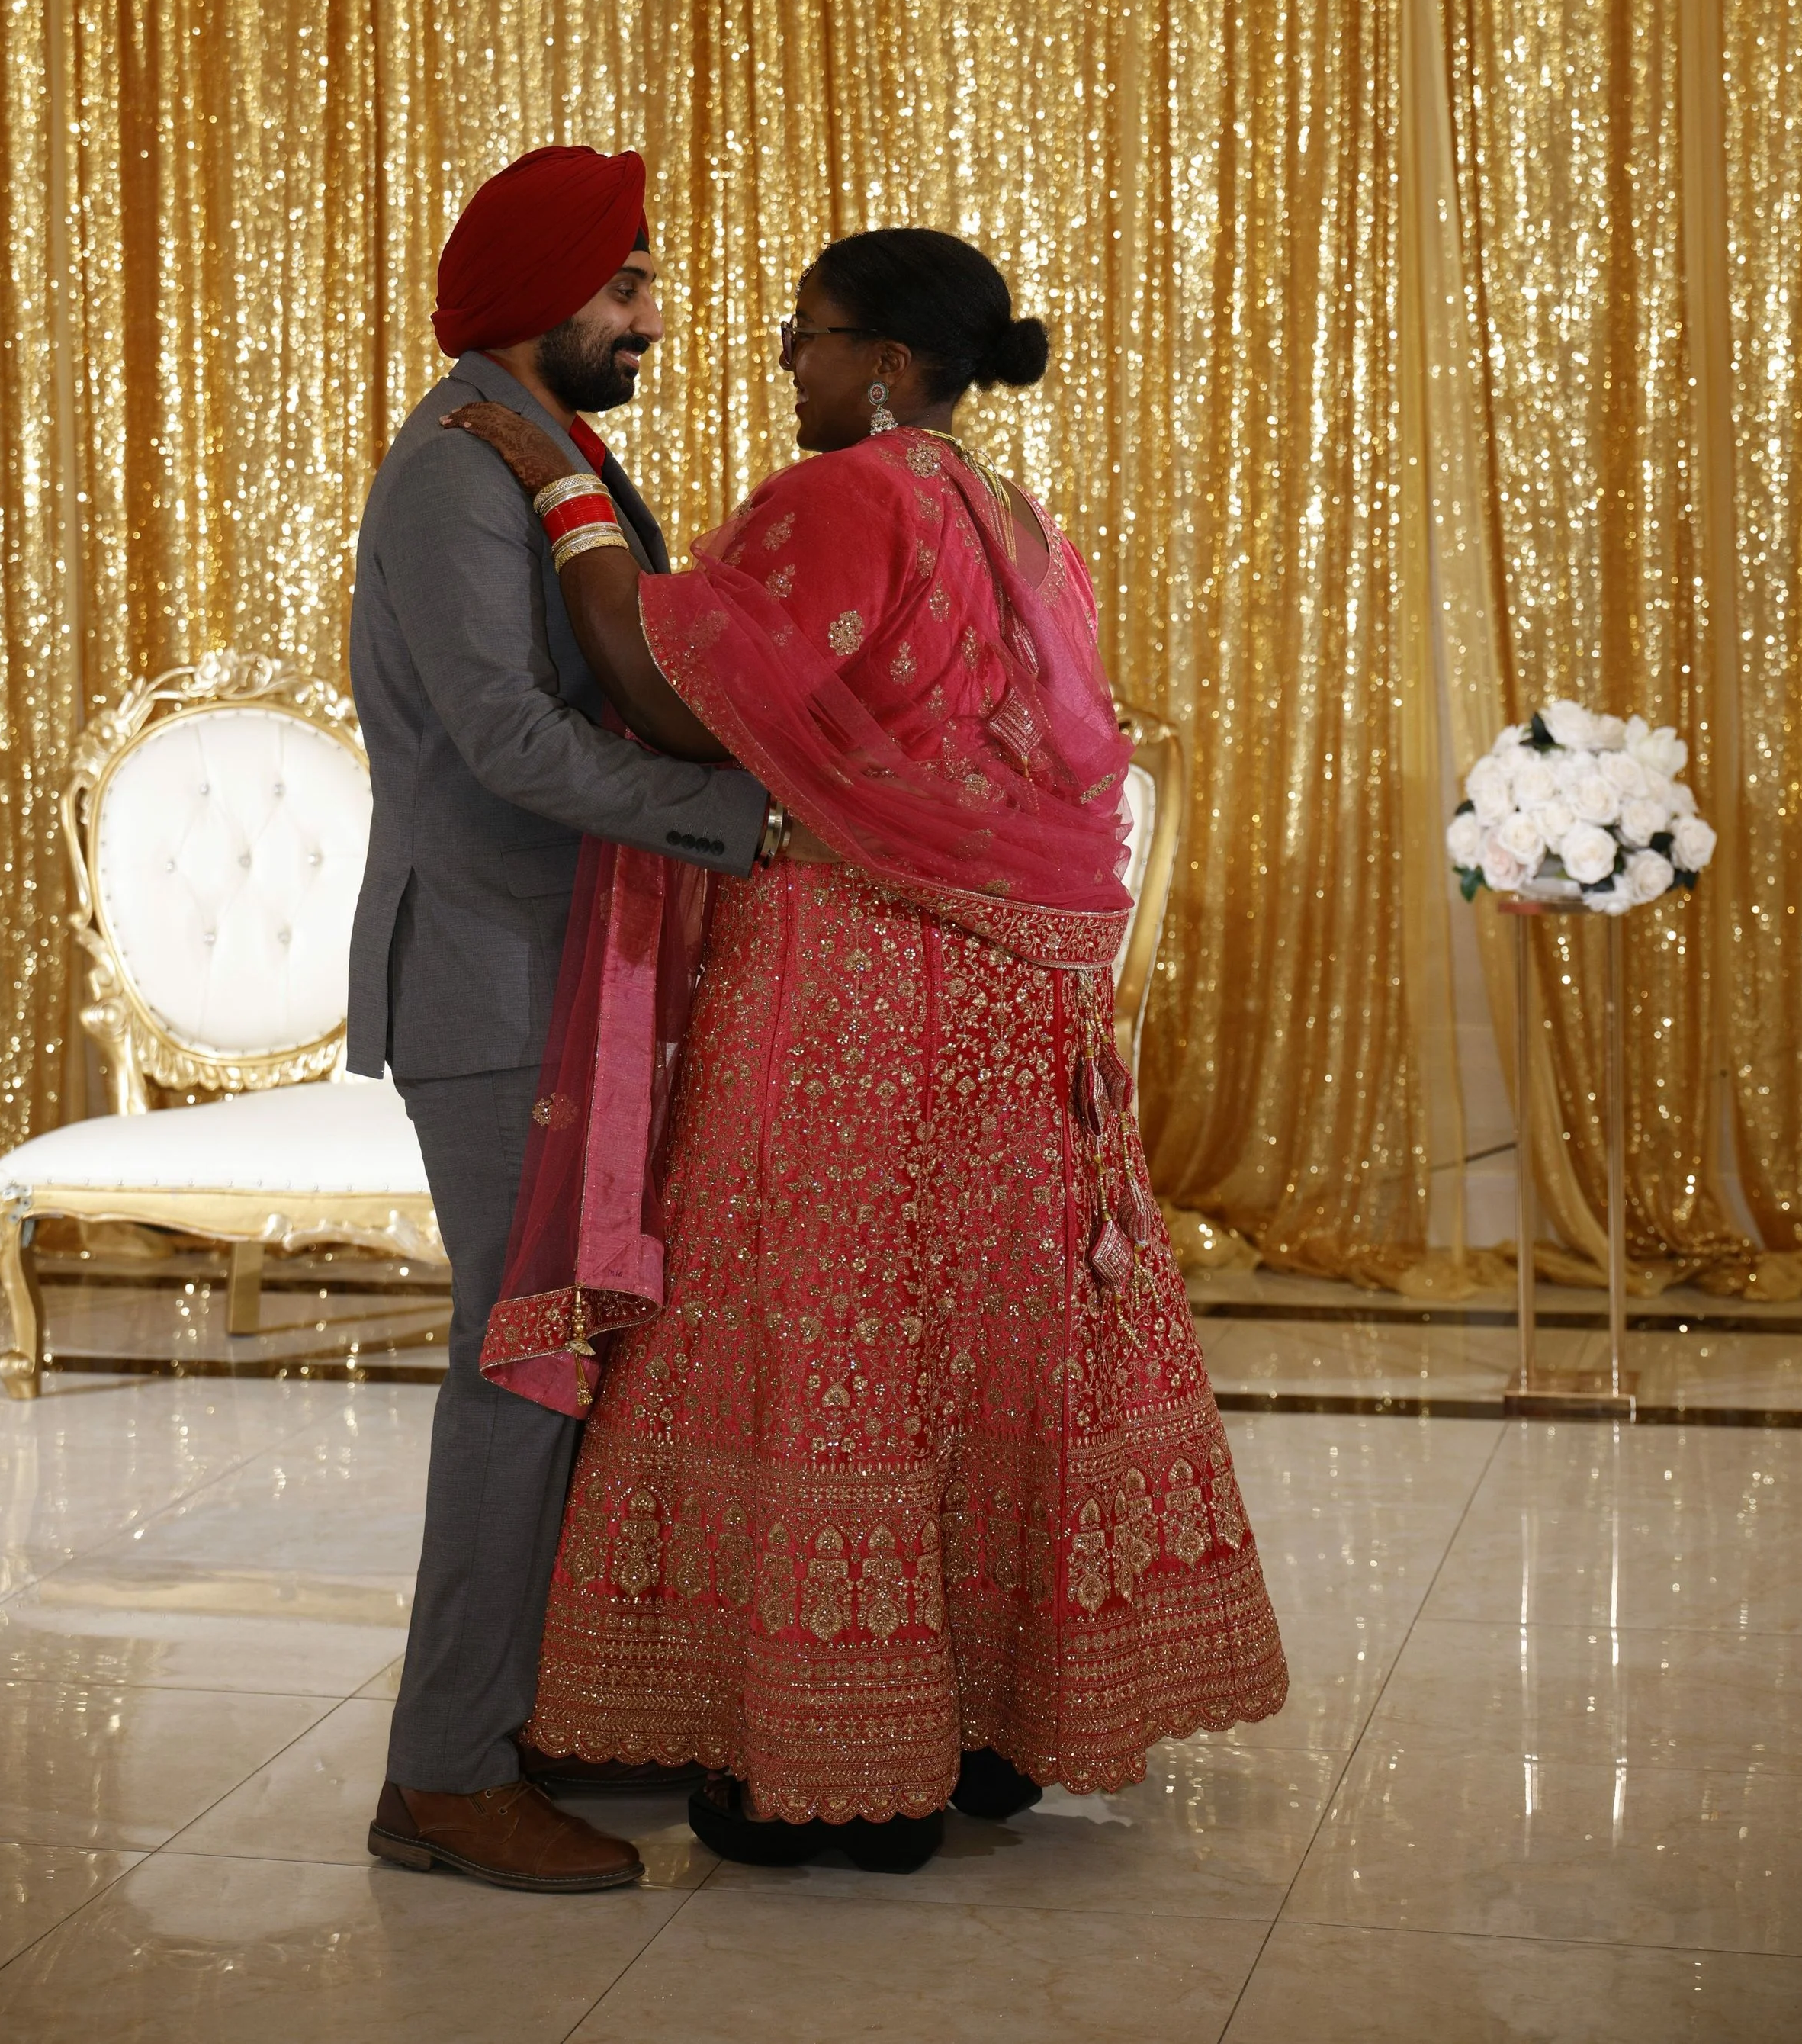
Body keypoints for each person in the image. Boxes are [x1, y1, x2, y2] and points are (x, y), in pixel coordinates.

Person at [448, 226, 1287, 1874]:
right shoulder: (1016, 518)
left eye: (806, 335)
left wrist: (560, 497)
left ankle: (834, 1769)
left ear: (890, 363)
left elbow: (676, 689)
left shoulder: (848, 493)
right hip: (1011, 996)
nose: (787, 363)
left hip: (857, 976)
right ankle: (978, 1733)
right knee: (974, 1339)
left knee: (823, 1331)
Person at [349, 143, 772, 1895]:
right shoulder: (461, 469)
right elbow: (509, 741)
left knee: (569, 1359)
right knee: (518, 1368)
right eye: (625, 286)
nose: (652, 319)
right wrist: (752, 818)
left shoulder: (551, 448)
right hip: (495, 977)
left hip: (569, 961)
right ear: (542, 294)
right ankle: (444, 1775)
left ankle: (541, 1721)